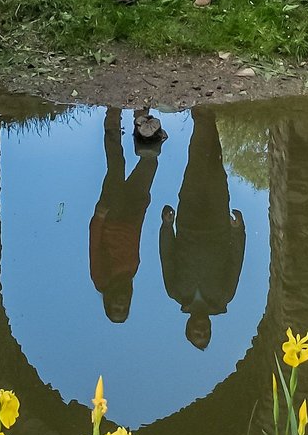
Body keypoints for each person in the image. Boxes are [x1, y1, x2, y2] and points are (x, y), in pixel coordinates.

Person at [157, 109, 245, 349]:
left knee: (196, 167)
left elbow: (167, 257)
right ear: (209, 328)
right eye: (204, 333)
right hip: (218, 224)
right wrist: (238, 231)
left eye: (196, 333)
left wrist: (167, 226)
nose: (200, 329)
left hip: (188, 222)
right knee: (215, 170)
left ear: (188, 327)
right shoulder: (223, 296)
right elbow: (236, 262)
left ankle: (201, 119)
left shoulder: (176, 291)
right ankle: (207, 119)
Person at [87, 106, 163, 324]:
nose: (120, 302)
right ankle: (142, 116)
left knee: (116, 164)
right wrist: (144, 207)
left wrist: (99, 217)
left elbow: (94, 247)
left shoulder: (102, 279)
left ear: (108, 301)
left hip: (112, 213)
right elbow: (135, 237)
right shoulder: (130, 273)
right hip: (134, 209)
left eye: (116, 306)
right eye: (124, 306)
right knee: (150, 161)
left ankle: (113, 112)